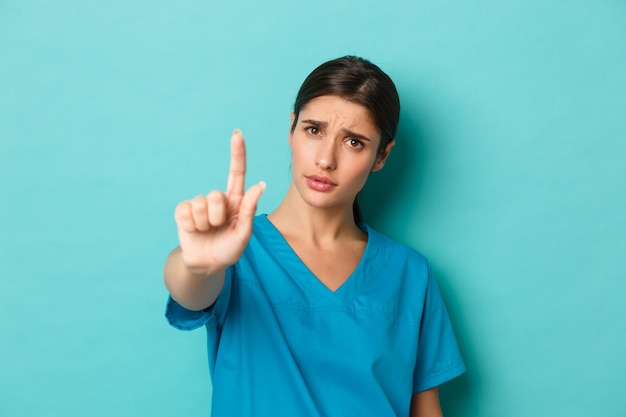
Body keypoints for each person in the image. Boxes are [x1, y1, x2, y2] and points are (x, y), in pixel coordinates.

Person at [164, 56, 465, 417]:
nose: (326, 159)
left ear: (381, 156)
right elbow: (190, 289)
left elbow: (425, 410)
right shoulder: (239, 252)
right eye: (313, 130)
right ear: (291, 128)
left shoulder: (410, 274)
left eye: (354, 142)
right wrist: (198, 264)